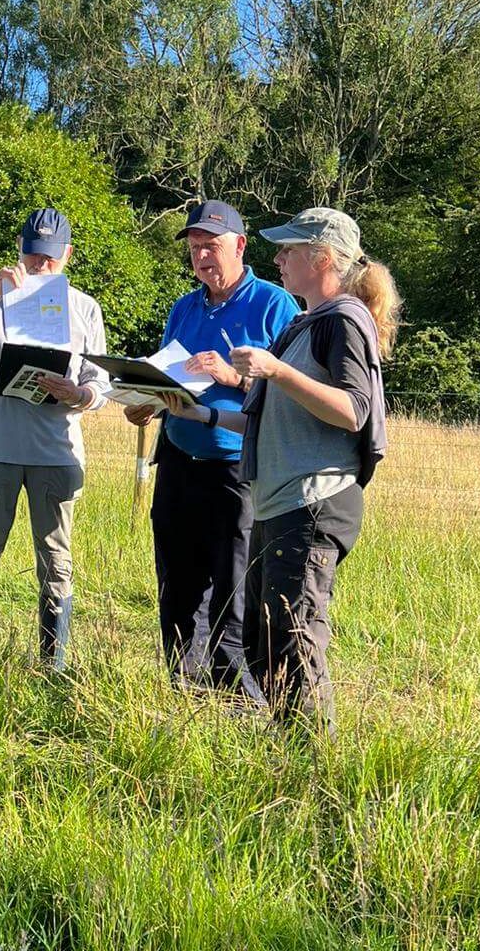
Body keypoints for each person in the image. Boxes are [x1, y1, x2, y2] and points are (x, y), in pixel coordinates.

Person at [160, 207, 400, 734]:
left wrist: (276, 369)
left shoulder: (344, 320)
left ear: (321, 258)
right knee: (264, 642)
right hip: (282, 500)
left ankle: (314, 770)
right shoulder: (305, 322)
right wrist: (196, 412)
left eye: (289, 249)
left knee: (294, 640)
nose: (279, 258)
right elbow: (264, 420)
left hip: (313, 501)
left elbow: (355, 410)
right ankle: (287, 752)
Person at [124, 200, 298, 696]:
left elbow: (292, 394)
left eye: (212, 246)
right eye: (196, 247)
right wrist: (146, 403)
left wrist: (231, 376)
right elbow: (170, 378)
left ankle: (237, 699)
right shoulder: (184, 307)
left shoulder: (274, 305)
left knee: (234, 587)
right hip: (179, 460)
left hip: (236, 468)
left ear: (240, 246)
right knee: (177, 583)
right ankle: (184, 689)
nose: (202, 256)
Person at [0, 206, 108, 670]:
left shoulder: (84, 307)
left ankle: (54, 665)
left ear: (68, 255)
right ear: (20, 249)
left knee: (56, 562)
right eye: (34, 255)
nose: (40, 266)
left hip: (56, 453)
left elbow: (101, 383)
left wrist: (79, 394)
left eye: (50, 257)